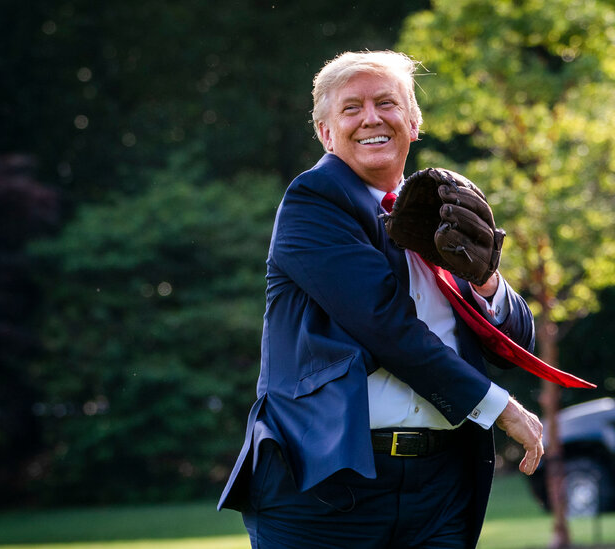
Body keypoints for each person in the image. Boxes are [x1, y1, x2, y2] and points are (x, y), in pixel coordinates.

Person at [217, 50, 544, 548]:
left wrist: (487, 280)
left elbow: (516, 341)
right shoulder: (313, 202)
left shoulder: (436, 207)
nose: (371, 117)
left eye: (386, 102)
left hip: (440, 490)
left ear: (413, 122)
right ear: (325, 133)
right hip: (327, 487)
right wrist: (501, 409)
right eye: (351, 108)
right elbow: (386, 326)